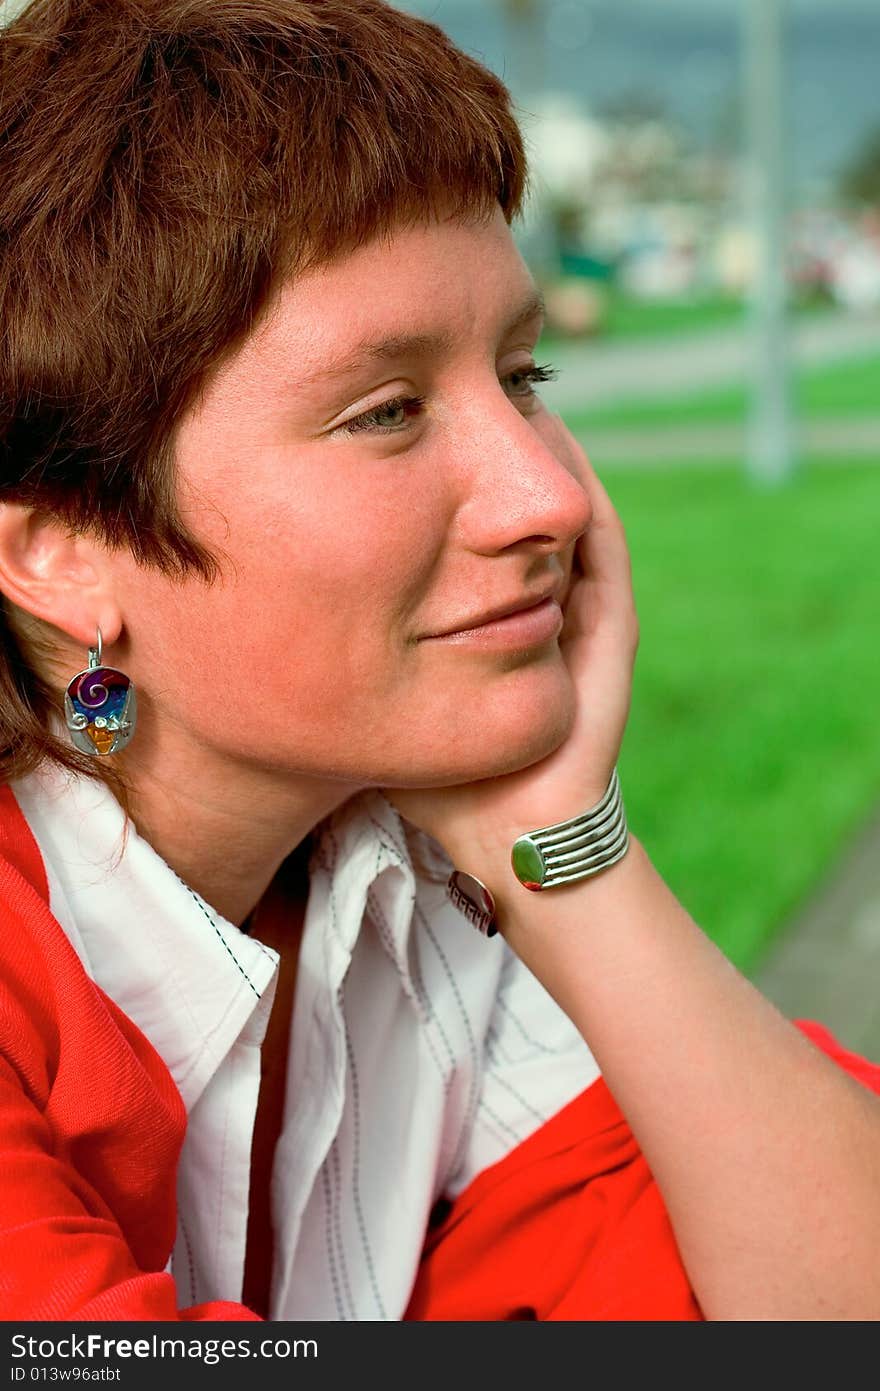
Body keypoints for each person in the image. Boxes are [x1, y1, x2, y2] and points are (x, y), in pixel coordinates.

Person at [0, 0, 878, 1324]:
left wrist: (563, 843)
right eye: (387, 412)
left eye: (524, 377)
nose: (549, 498)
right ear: (64, 550)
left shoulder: (404, 874)